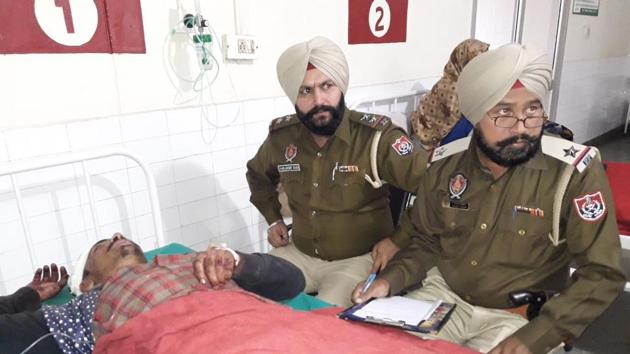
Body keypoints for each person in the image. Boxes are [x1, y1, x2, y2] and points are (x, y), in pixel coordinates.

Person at [352, 43, 626, 354]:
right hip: (442, 299)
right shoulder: (444, 164)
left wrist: (533, 338)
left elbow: (603, 274)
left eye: (532, 110)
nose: (521, 127)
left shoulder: (572, 173)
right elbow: (427, 241)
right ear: (475, 115)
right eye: (504, 112)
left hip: (519, 318)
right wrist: (389, 281)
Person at [246, 36, 428, 307]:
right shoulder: (282, 138)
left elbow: (432, 190)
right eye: (305, 91)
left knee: (320, 325)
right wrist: (273, 219)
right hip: (299, 253)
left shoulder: (376, 138)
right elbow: (257, 174)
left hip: (356, 260)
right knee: (247, 298)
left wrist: (397, 240)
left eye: (326, 86)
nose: (319, 100)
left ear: (340, 87)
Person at [0, 233, 304, 354]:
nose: (118, 236)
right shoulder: (79, 311)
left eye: (119, 234)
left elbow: (294, 283)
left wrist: (240, 263)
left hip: (279, 334)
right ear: (86, 283)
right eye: (102, 243)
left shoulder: (203, 262)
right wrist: (24, 297)